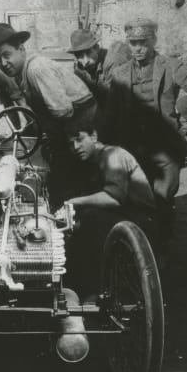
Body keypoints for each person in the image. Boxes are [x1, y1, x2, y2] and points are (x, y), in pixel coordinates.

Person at [104, 18, 187, 209]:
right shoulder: (120, 74)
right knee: (138, 200)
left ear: (153, 41)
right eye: (133, 43)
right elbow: (111, 115)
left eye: (143, 43)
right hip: (134, 147)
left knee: (162, 197)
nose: (138, 48)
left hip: (166, 146)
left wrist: (179, 108)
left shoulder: (171, 66)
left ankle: (163, 233)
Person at [0, 22, 99, 206]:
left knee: (62, 180)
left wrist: (51, 139)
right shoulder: (22, 73)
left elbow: (63, 110)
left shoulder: (35, 69)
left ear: (21, 48)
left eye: (7, 55)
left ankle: (63, 218)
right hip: (71, 123)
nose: (3, 63)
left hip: (82, 124)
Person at [63, 116, 158, 296]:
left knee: (90, 220)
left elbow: (113, 198)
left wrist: (74, 202)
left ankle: (94, 290)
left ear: (94, 136)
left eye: (80, 139)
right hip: (127, 217)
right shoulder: (95, 160)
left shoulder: (113, 156)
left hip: (142, 223)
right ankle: (76, 286)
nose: (76, 147)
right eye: (71, 143)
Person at [67, 28, 109, 94]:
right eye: (79, 55)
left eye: (88, 53)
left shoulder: (109, 63)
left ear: (97, 48)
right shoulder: (79, 70)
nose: (85, 61)